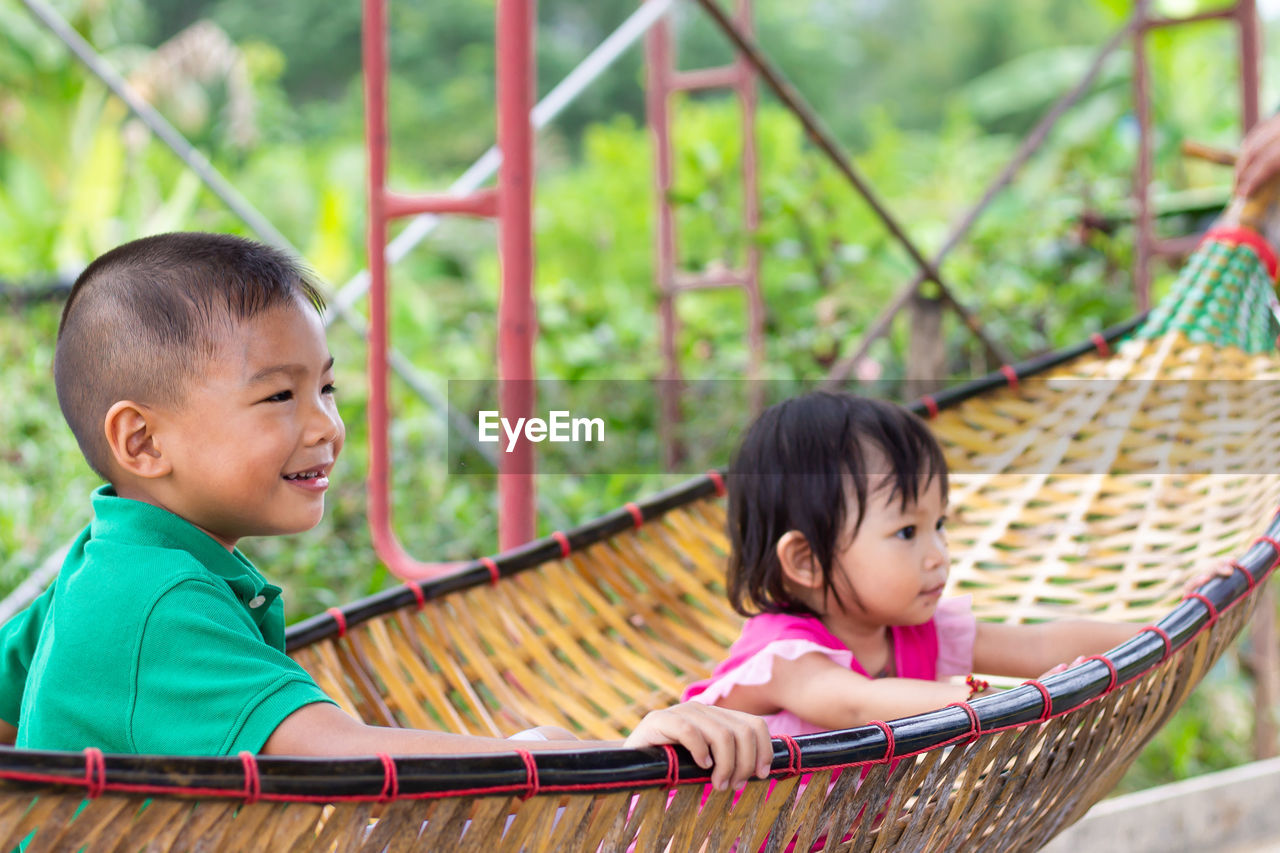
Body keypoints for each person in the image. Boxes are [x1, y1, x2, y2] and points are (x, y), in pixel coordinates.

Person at [0, 232, 772, 792]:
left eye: (325, 388)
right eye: (279, 395)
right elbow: (335, 752)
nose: (325, 424)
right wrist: (584, 753)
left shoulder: (104, 563)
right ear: (142, 440)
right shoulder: (157, 599)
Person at [683, 392, 1140, 735]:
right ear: (806, 561)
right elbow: (858, 705)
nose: (938, 553)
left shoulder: (918, 631)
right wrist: (992, 702)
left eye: (938, 523)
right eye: (906, 532)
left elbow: (1040, 646)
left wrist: (1166, 629)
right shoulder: (783, 656)